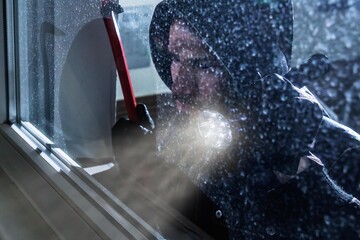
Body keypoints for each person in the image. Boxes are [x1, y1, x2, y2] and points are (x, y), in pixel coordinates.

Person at [113, 0, 360, 239]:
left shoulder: (347, 155)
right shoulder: (199, 134)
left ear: (255, 68)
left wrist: (304, 181)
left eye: (203, 64)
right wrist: (147, 172)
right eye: (175, 58)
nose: (181, 86)